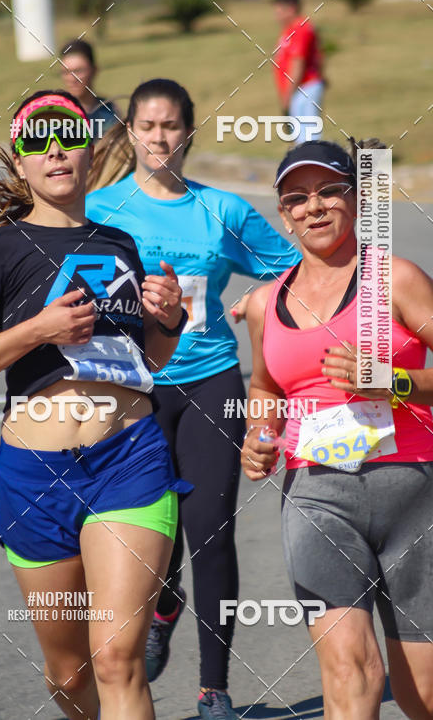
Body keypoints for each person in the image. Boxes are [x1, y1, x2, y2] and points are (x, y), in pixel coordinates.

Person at [0, 89, 192, 720]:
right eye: (38, 140)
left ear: (90, 148)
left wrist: (170, 320)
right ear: (21, 157)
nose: (55, 150)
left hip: (129, 461)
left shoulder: (120, 244)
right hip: (35, 476)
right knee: (70, 675)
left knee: (119, 659)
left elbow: (154, 361)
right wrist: (39, 329)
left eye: (68, 135)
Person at [85, 78, 300, 720]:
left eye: (171, 126)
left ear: (189, 132)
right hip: (134, 390)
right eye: (146, 126)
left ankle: (214, 690)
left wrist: (255, 302)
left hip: (211, 384)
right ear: (128, 130)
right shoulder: (99, 209)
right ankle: (162, 600)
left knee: (212, 531)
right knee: (157, 536)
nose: (158, 138)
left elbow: (294, 267)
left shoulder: (223, 210)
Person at [241, 139, 433, 720]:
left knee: (427, 697)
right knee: (349, 672)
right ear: (284, 214)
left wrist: (393, 382)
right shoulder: (267, 302)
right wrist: (260, 435)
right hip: (316, 494)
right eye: (297, 198)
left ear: (357, 198)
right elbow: (267, 385)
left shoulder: (396, 278)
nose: (313, 207)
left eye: (328, 192)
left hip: (412, 491)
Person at [272, 0, 325, 143]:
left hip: (304, 88)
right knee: (301, 139)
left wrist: (286, 98)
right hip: (300, 89)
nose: (277, 16)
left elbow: (297, 63)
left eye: (279, 11)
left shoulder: (300, 29)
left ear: (291, 8)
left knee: (307, 140)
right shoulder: (289, 30)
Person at [60, 39, 120, 138]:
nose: (72, 79)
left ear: (94, 70)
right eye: (66, 72)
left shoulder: (110, 111)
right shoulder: (55, 114)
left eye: (78, 71)